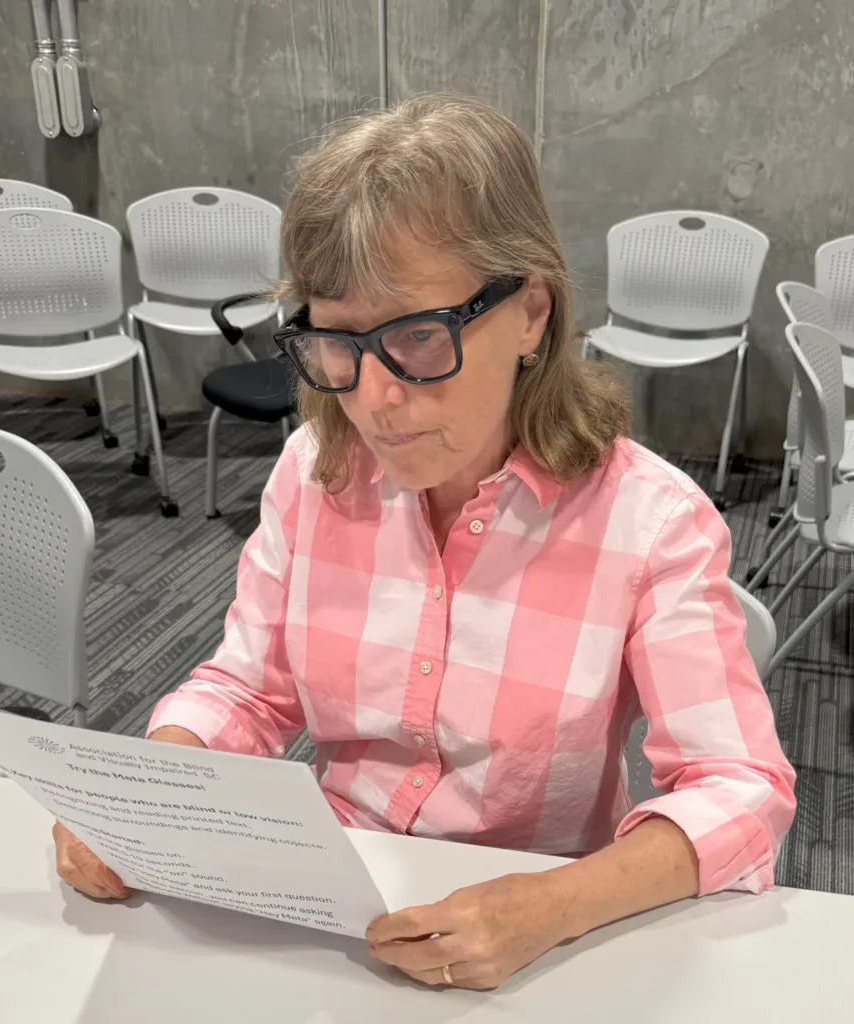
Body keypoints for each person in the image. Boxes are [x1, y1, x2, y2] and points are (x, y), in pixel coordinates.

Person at [54, 94, 796, 990]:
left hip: (541, 937)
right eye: (335, 341)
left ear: (529, 313)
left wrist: (551, 904)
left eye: (416, 336)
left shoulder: (649, 522)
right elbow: (249, 688)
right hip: (338, 908)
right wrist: (148, 795)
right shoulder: (313, 473)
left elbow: (739, 787)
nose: (373, 398)